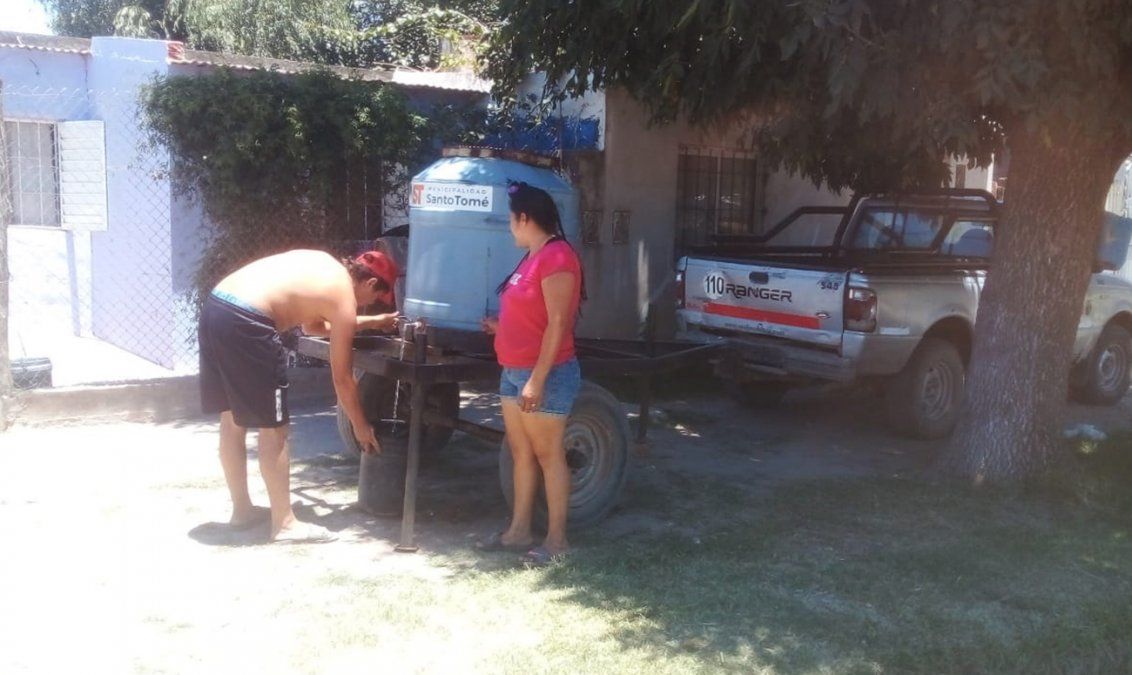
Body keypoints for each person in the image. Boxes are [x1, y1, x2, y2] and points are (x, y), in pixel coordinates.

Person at [199, 249, 400, 543]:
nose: (368, 305)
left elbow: (313, 327)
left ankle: (242, 512)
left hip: (217, 307)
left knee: (231, 420)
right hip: (247, 322)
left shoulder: (326, 267)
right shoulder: (343, 295)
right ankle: (284, 524)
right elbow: (342, 378)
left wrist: (374, 321)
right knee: (275, 428)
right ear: (370, 283)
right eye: (376, 298)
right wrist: (359, 425)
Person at [479, 182, 585, 565]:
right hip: (513, 371)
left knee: (548, 455)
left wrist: (536, 380)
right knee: (521, 452)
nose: (509, 227)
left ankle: (557, 543)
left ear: (524, 218)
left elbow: (558, 323)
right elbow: (532, 313)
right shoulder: (531, 256)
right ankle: (519, 531)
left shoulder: (557, 257)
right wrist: (502, 327)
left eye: (511, 220)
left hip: (546, 375)